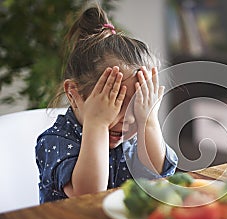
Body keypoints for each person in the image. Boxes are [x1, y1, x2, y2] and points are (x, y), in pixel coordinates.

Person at [35, 5, 178, 203]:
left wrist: (149, 121)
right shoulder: (56, 140)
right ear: (73, 94)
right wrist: (97, 124)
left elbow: (157, 177)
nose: (126, 120)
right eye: (115, 106)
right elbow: (88, 195)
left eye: (136, 108)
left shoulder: (132, 134)